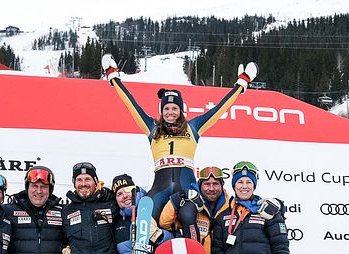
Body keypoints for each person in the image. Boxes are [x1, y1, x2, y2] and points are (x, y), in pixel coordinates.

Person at [101, 53, 258, 228]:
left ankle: (193, 253)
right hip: (159, 189)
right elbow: (131, 104)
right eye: (166, 108)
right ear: (161, 111)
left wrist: (241, 84)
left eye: (174, 108)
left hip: (186, 189)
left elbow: (220, 109)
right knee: (145, 218)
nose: (170, 112)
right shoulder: (152, 128)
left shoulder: (193, 127)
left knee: (188, 216)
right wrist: (113, 77)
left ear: (181, 110)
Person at [61, 162, 119, 254]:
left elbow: (128, 200)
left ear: (95, 181)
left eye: (87, 179)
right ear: (74, 184)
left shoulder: (110, 204)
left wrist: (110, 193)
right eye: (79, 180)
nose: (83, 184)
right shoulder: (66, 211)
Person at [112, 173, 173, 254]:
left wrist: (158, 235)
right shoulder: (116, 221)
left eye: (128, 190)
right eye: (119, 194)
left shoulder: (153, 207)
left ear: (136, 189)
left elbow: (174, 241)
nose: (125, 196)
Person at [159, 166, 230, 254]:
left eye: (215, 184)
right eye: (207, 184)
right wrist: (175, 201)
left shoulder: (230, 207)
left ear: (222, 185)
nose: (211, 188)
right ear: (200, 185)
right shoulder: (189, 204)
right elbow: (164, 223)